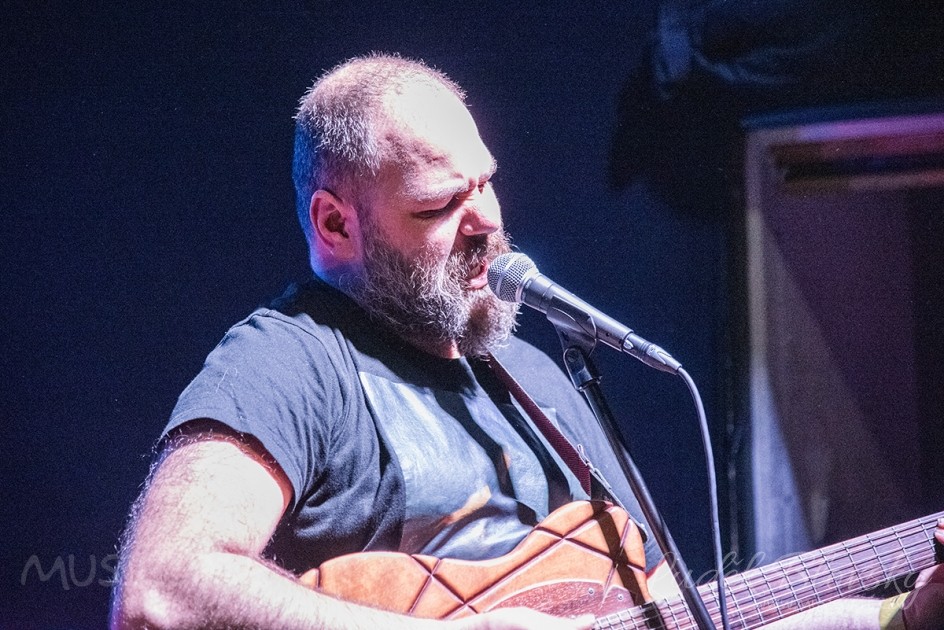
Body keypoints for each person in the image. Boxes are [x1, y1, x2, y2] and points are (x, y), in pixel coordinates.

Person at [111, 54, 943, 630]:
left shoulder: (537, 377)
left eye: (487, 184)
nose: (486, 221)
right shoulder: (292, 360)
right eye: (440, 205)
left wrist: (898, 617)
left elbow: (683, 616)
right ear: (336, 225)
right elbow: (161, 589)